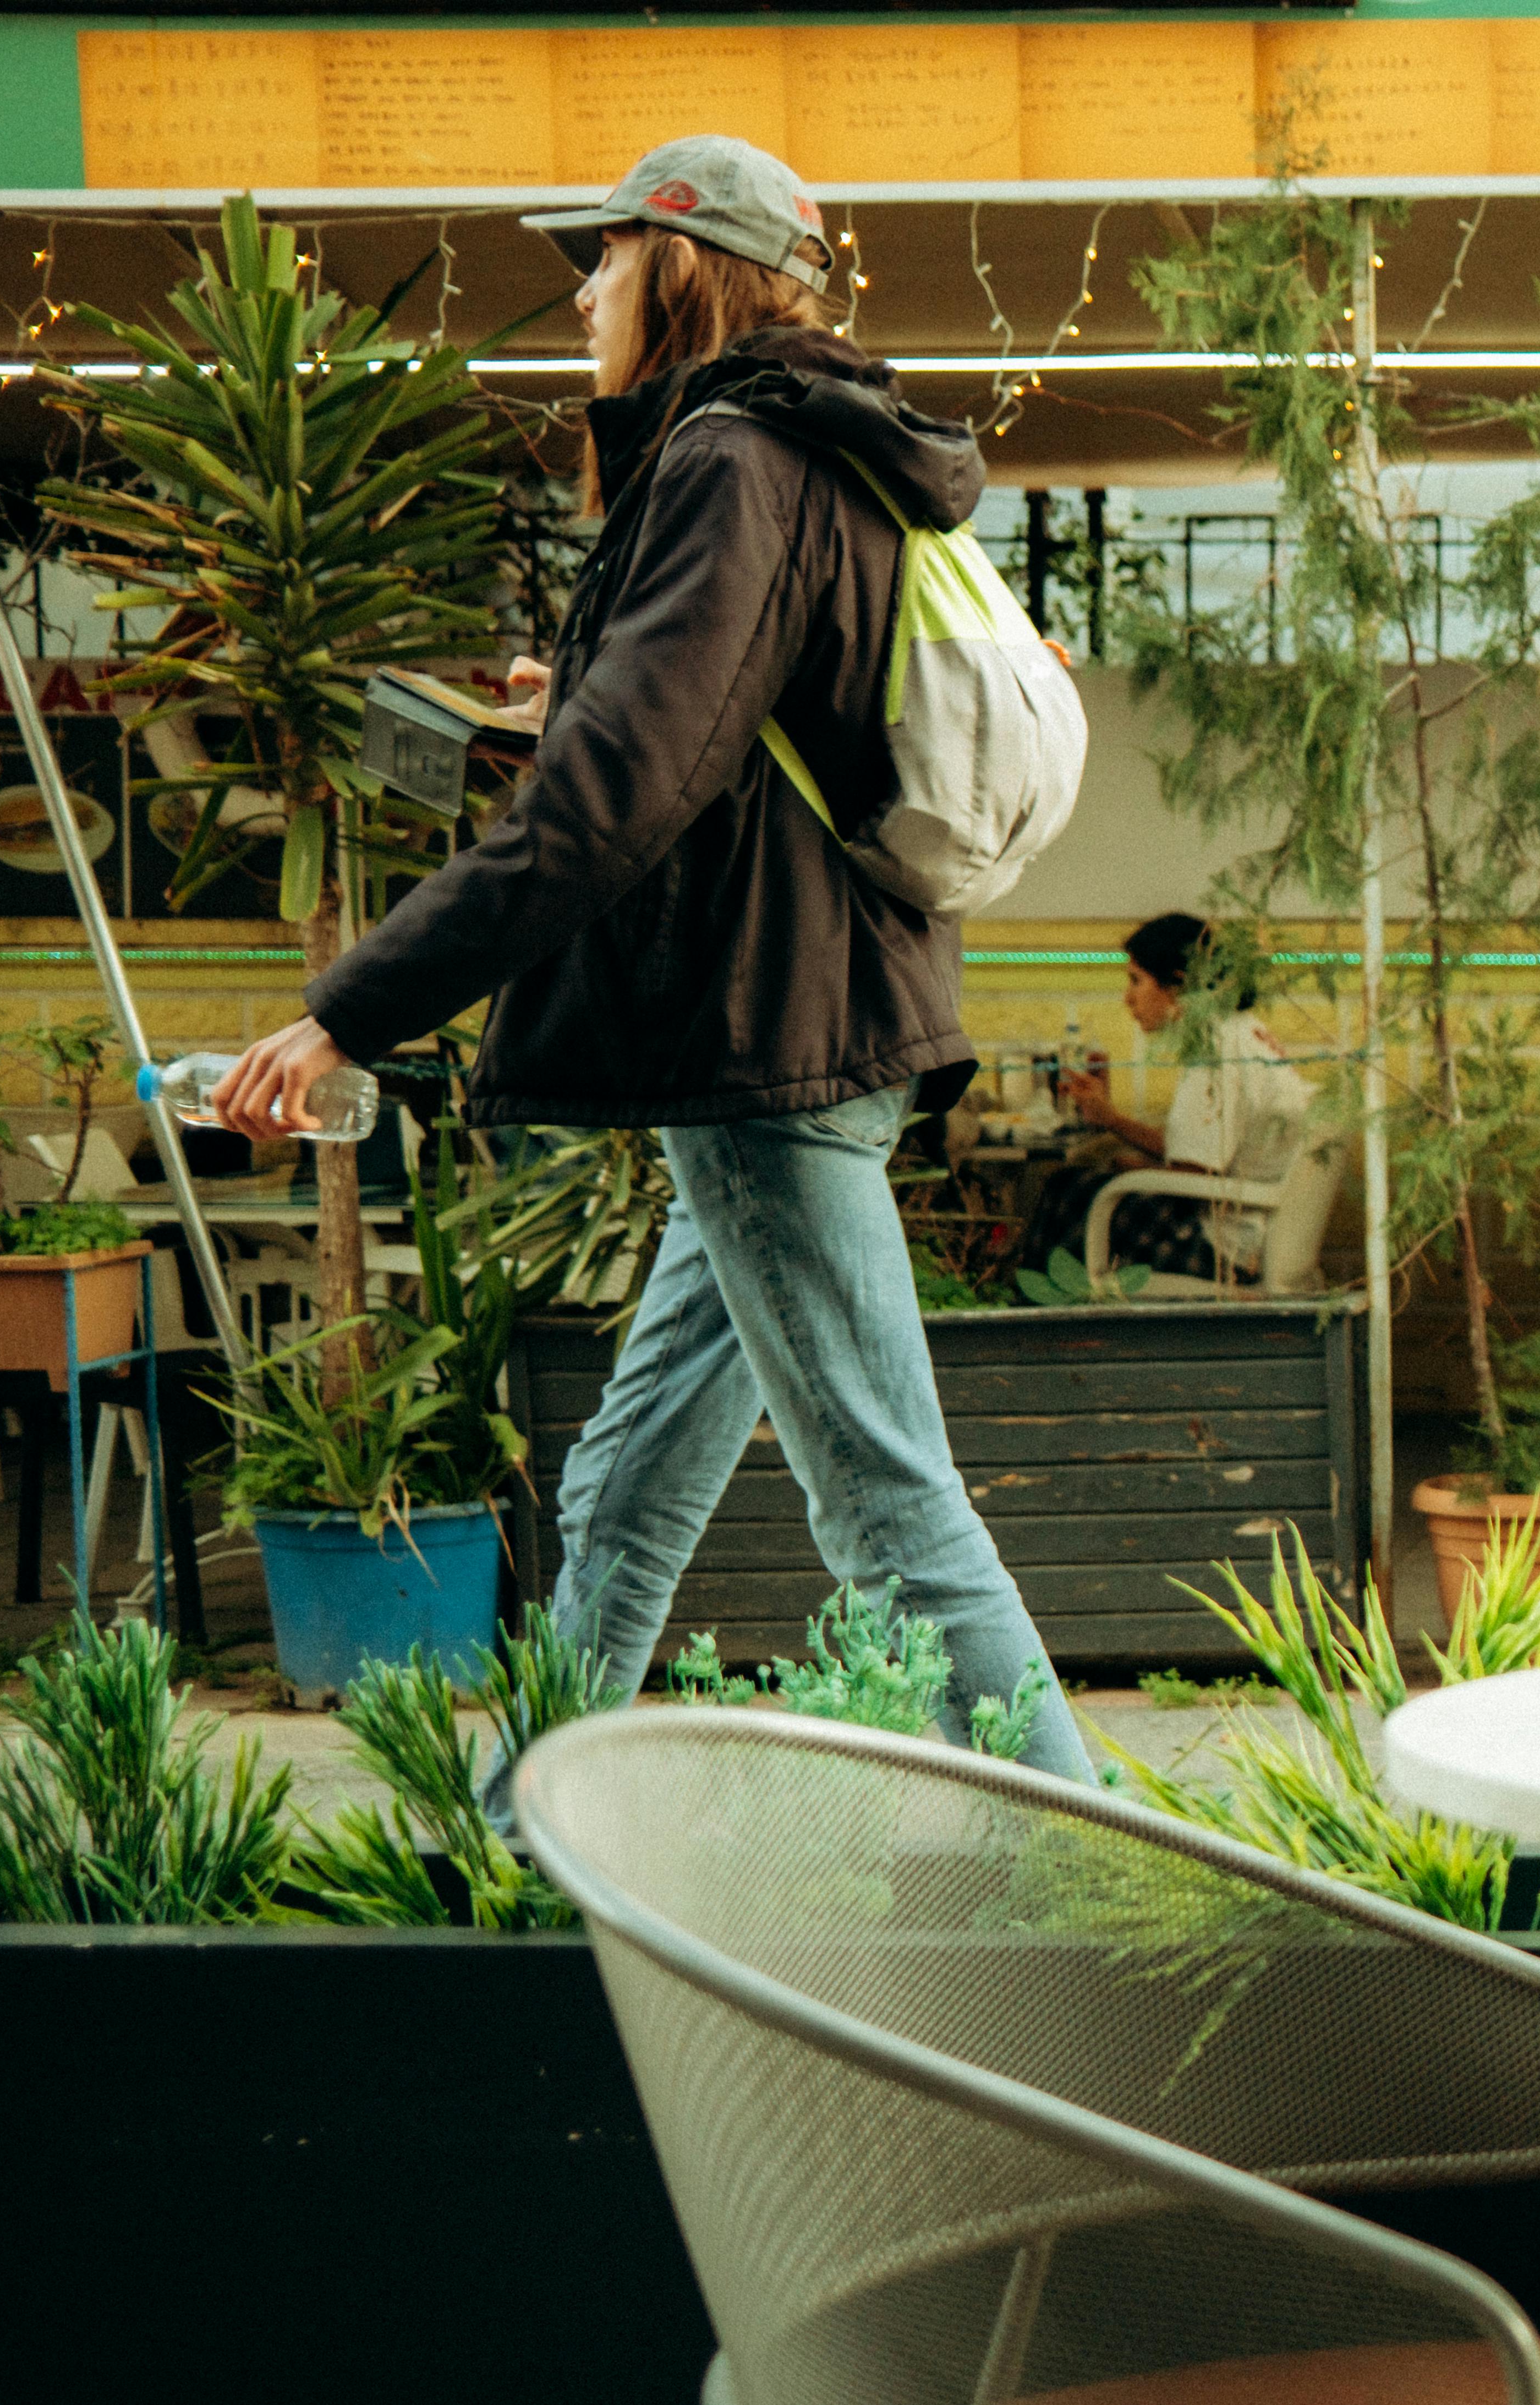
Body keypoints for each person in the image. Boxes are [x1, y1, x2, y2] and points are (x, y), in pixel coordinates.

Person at [213, 134, 1093, 1781]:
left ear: (678, 266)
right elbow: (726, 731)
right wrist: (579, 697)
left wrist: (347, 1009)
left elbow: (613, 799)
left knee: (884, 1503)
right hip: (797, 1020)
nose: (583, 293)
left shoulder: (729, 463)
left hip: (767, 1043)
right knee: (629, 1483)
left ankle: (1103, 1880)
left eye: (601, 260)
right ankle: (527, 1829)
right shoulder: (824, 453)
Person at [1027, 912, 1318, 1284]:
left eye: (1136, 981)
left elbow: (1194, 1175)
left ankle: (1035, 1324)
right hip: (1252, 1233)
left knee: (1068, 1192)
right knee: (1083, 1188)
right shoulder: (1241, 1030)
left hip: (1221, 1248)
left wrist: (1133, 1171)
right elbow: (1198, 1152)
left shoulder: (1215, 1049)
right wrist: (1112, 1120)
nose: (1127, 999)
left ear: (1177, 985)